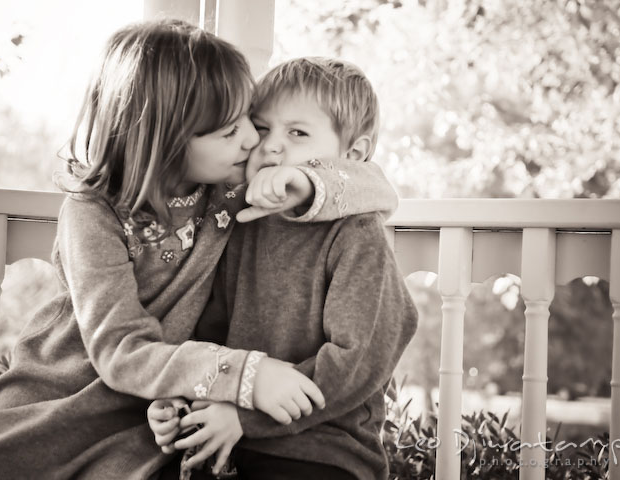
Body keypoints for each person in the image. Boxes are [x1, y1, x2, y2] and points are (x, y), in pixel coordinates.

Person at [0, 22, 397, 480]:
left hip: (160, 406)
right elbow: (120, 346)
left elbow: (373, 187)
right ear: (171, 140)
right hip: (69, 394)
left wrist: (309, 181)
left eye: (248, 121)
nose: (253, 140)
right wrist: (245, 375)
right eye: (232, 129)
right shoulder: (92, 214)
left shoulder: (229, 194)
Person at [149, 57, 419, 480]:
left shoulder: (357, 233)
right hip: (230, 438)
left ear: (354, 154)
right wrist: (179, 398)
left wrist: (247, 417)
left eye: (297, 133)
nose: (271, 146)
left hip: (323, 451)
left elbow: (360, 360)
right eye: (261, 128)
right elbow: (209, 331)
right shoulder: (238, 222)